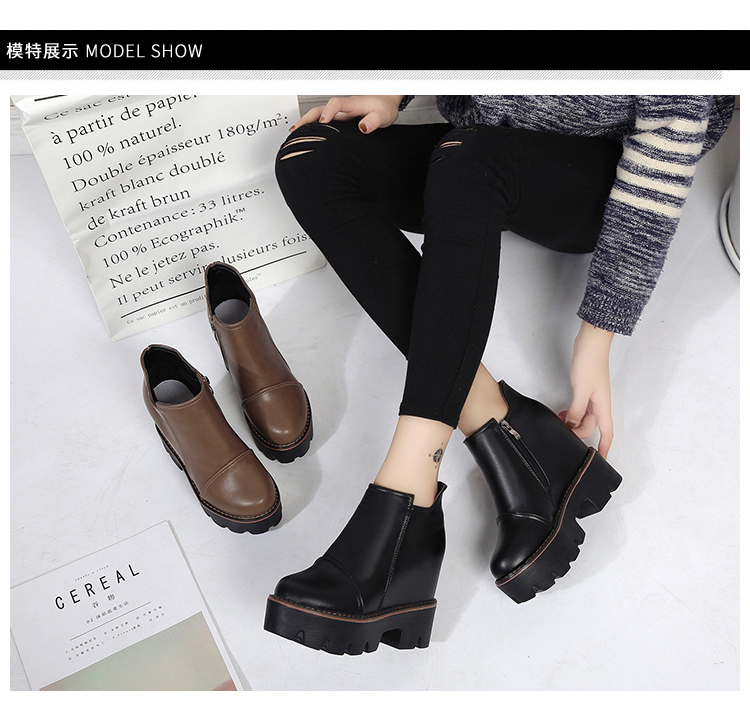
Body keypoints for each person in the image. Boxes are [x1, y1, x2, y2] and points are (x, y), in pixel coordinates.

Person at [262, 94, 736, 655]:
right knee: (310, 157)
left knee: (471, 159)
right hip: (473, 142)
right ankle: (513, 435)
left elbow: (665, 149)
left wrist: (598, 336)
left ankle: (409, 491)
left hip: (597, 174)